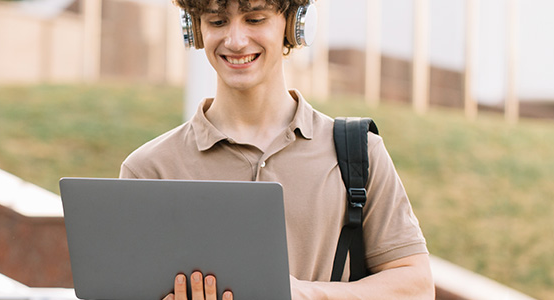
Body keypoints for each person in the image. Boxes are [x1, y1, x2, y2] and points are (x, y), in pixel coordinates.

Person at [120, 0, 433, 299]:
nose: (235, 41)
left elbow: (417, 288)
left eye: (255, 19)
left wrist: (310, 294)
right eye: (217, 21)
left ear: (294, 23)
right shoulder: (149, 169)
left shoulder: (358, 153)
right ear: (194, 28)